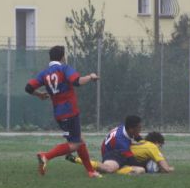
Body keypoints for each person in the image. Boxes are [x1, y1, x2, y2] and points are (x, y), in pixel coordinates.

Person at [25, 45, 101, 178]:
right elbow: (77, 81)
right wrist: (90, 77)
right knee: (75, 144)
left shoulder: (44, 73)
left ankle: (90, 171)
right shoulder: (64, 68)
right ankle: (46, 156)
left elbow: (28, 87)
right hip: (70, 111)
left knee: (79, 139)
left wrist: (39, 95)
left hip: (59, 114)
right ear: (62, 57)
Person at [67, 131, 174, 175]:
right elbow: (165, 167)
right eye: (160, 145)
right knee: (107, 169)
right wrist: (169, 169)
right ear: (156, 142)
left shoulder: (143, 143)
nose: (160, 148)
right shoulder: (152, 147)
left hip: (124, 158)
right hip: (118, 155)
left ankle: (117, 170)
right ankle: (76, 159)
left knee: (140, 170)